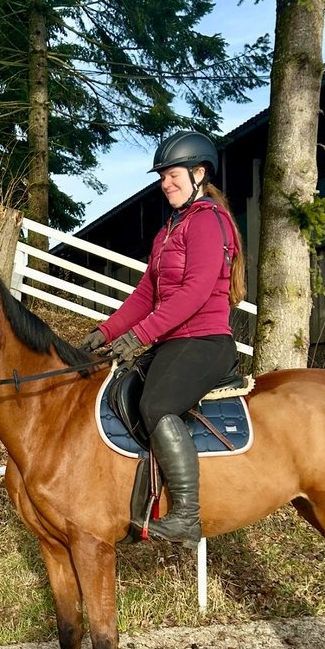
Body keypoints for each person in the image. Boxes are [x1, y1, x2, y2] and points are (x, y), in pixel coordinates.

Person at [81, 129, 247, 547]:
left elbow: (194, 292)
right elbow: (146, 295)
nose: (164, 184)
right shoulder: (168, 231)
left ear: (199, 174)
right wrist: (105, 332)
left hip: (206, 340)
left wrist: (140, 336)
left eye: (172, 175)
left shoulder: (209, 222)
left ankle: (187, 517)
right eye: (162, 177)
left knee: (155, 403)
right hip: (174, 340)